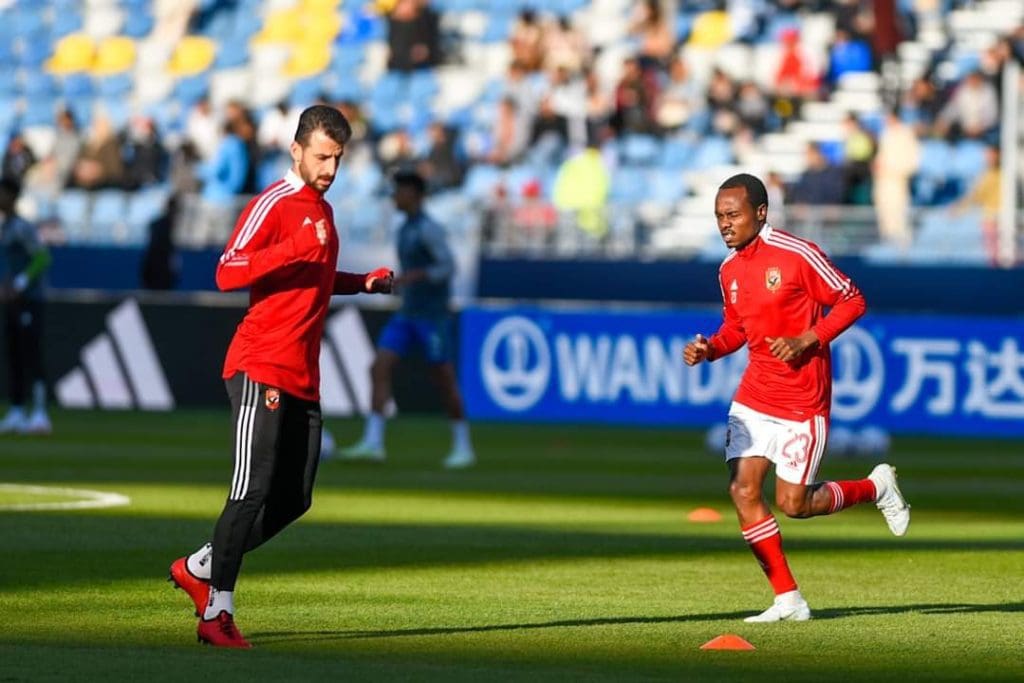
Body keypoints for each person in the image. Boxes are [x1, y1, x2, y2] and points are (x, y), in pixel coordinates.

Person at [167, 105, 394, 648]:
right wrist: (296, 245)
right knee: (250, 491)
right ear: (296, 151)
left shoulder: (321, 210)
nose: (331, 168)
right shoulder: (274, 202)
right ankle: (216, 613)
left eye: (337, 158)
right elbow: (227, 271)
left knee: (294, 498)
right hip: (260, 364)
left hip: (301, 374)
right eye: (321, 156)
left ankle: (200, 565)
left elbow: (310, 274)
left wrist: (361, 282)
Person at [683, 173, 910, 623]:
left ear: (760, 213)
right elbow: (737, 330)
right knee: (743, 490)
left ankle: (876, 487)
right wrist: (711, 347)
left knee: (795, 504)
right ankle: (789, 599)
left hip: (803, 399)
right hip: (754, 395)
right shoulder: (727, 269)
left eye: (732, 215)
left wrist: (809, 338)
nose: (724, 224)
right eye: (718, 217)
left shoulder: (797, 254)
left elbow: (852, 299)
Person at [339, 169, 475, 470]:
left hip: (432, 316)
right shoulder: (404, 229)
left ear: (414, 194)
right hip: (408, 314)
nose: (395, 197)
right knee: (379, 366)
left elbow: (448, 267)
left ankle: (463, 445)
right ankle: (373, 442)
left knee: (444, 379)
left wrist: (416, 276)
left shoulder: (429, 229)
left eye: (400, 191)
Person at [0, 179, 52, 435]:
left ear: (12, 196)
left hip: (31, 300)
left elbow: (43, 257)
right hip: (13, 301)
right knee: (14, 355)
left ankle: (41, 412)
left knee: (32, 354)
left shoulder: (22, 228)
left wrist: (20, 283)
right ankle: (17, 410)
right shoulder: (5, 227)